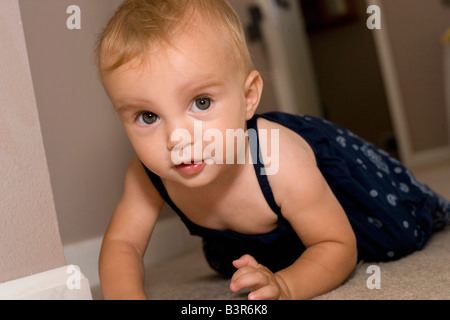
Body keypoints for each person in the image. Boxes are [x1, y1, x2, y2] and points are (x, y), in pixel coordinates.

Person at [95, 0, 450, 300]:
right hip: (267, 236)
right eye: (147, 115)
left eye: (201, 102)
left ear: (248, 97)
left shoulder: (279, 157)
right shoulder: (146, 176)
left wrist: (286, 284)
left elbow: (337, 246)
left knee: (401, 232)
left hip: (343, 205)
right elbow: (123, 245)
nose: (176, 138)